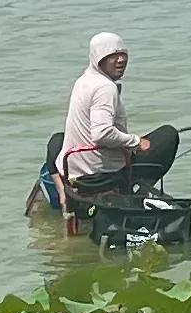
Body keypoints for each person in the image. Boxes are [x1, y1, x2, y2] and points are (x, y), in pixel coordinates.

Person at [57, 32, 178, 206]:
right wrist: (136, 142)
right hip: (101, 172)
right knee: (168, 135)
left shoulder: (84, 80)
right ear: (98, 58)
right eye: (112, 55)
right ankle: (134, 190)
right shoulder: (105, 88)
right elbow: (102, 133)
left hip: (74, 169)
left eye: (123, 54)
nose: (120, 60)